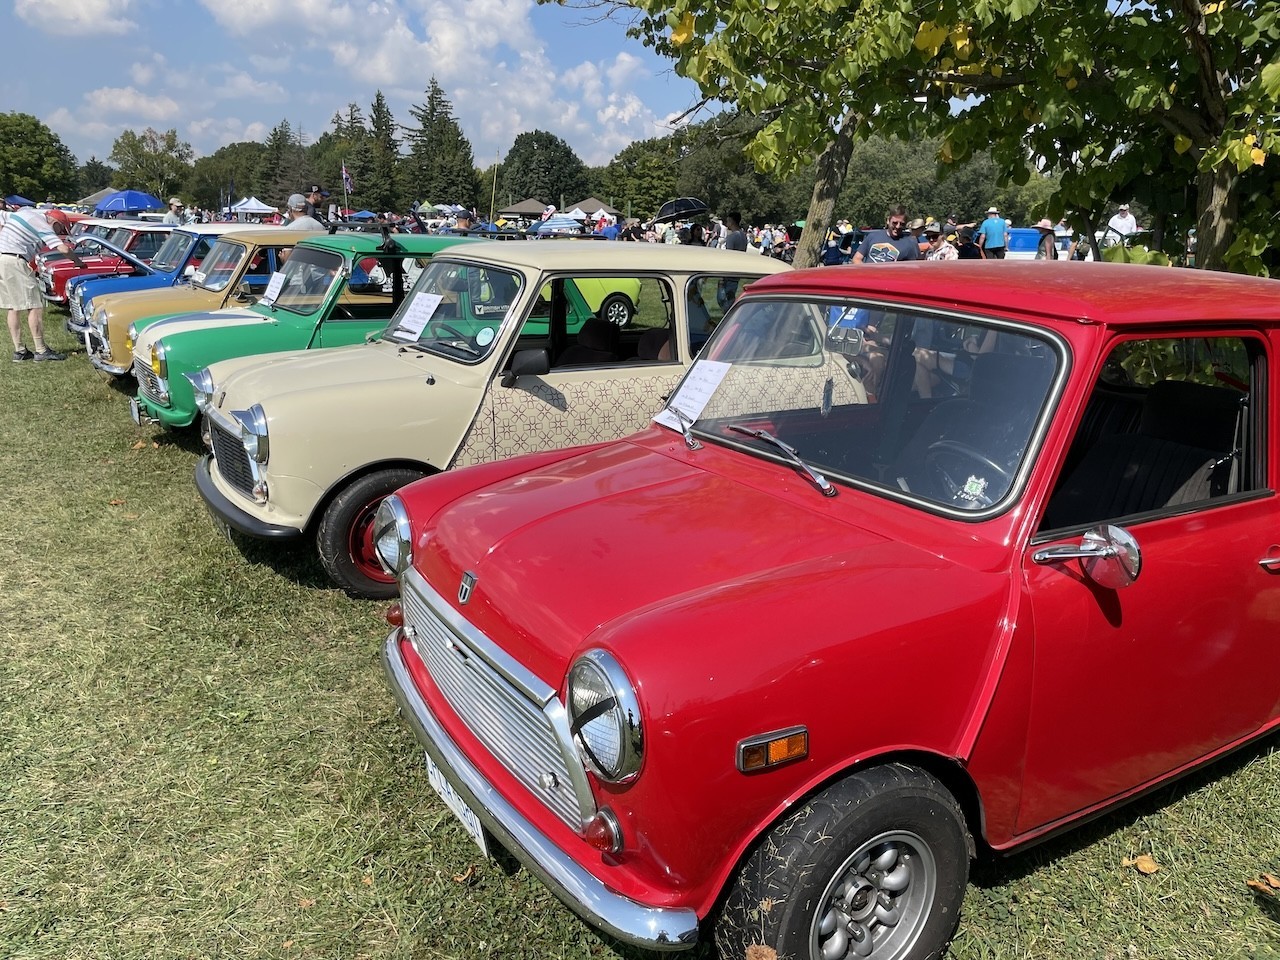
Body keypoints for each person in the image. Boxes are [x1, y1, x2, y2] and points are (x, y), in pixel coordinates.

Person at [0, 206, 72, 361]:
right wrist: (78, 262)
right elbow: (64, 249)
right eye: (61, 228)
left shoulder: (24, 214)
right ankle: (41, 350)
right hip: (15, 260)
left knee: (13, 306)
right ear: (54, 221)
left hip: (2, 257)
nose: (60, 233)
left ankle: (19, 351)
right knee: (35, 305)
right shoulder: (43, 225)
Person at [851, 205, 919, 263]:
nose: (898, 226)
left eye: (902, 224)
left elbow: (913, 269)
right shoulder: (872, 237)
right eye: (895, 223)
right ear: (888, 221)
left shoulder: (910, 244)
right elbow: (856, 259)